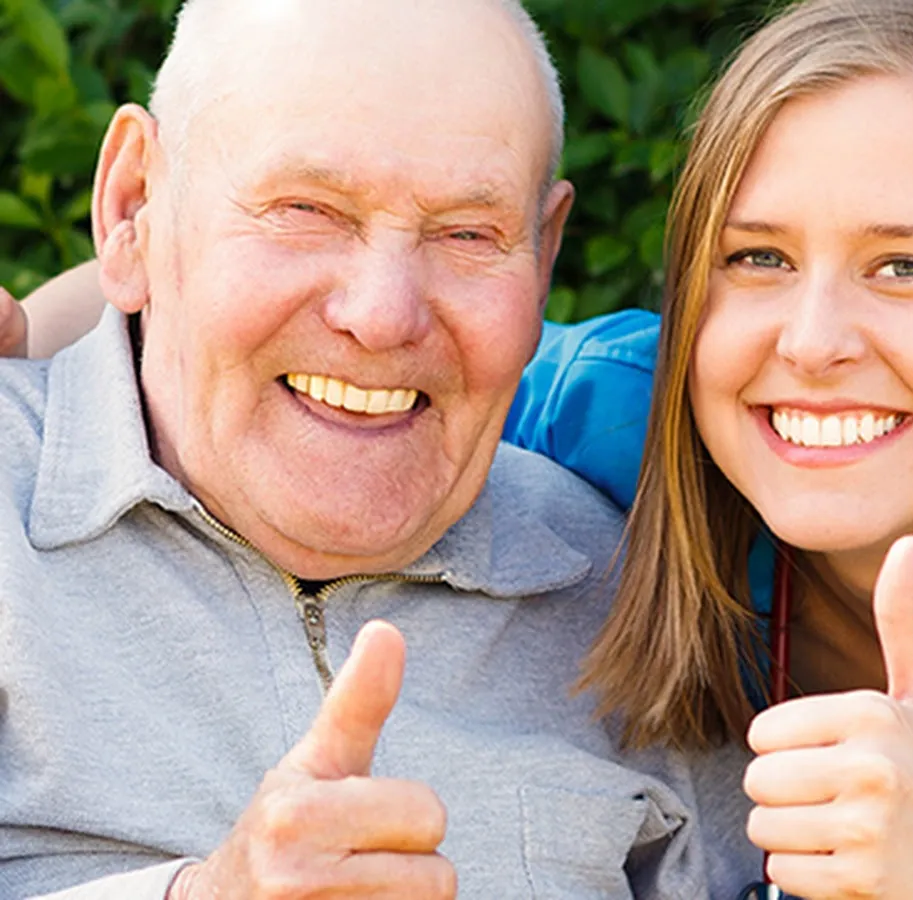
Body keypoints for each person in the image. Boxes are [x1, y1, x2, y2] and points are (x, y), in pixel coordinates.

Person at [10, 0, 913, 897]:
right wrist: (41, 324)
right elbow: (347, 345)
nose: (811, 342)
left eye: (907, 266)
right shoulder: (619, 413)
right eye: (758, 257)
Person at [0, 0, 753, 897]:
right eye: (305, 210)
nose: (383, 314)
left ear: (544, 255)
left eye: (467, 234)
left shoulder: (627, 600)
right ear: (135, 207)